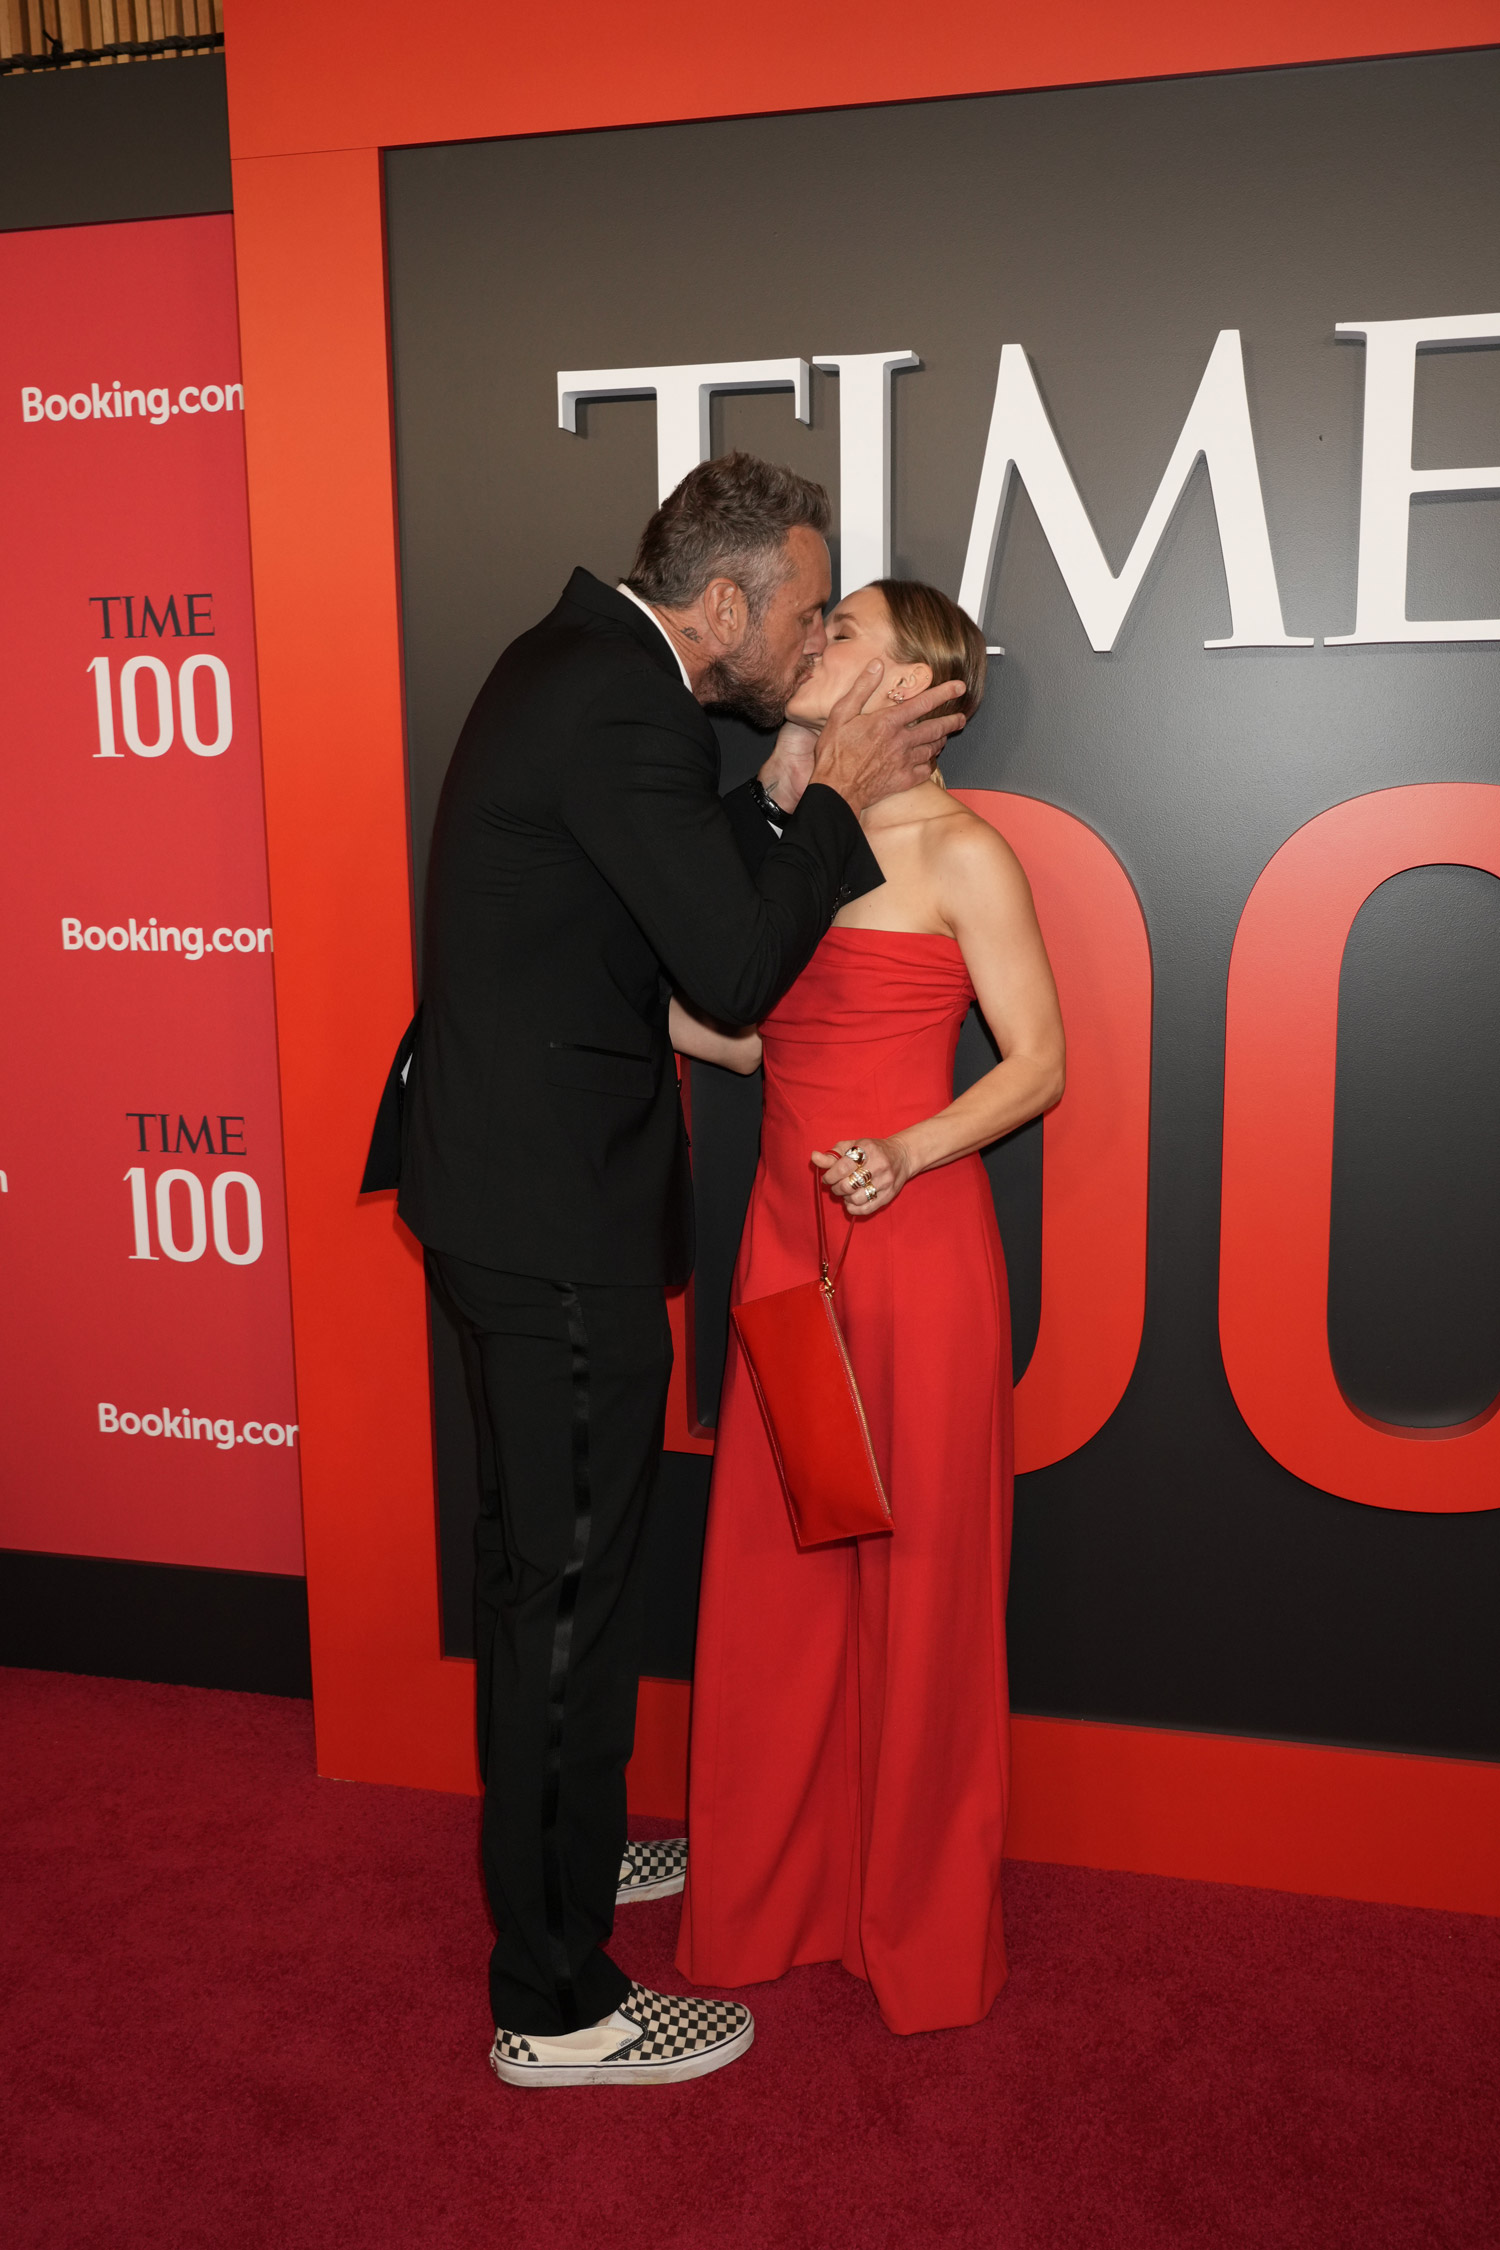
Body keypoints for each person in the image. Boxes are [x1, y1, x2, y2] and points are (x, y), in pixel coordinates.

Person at [381, 458, 969, 2087]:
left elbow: (646, 881)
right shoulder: (627, 705)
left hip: (501, 1196)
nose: (811, 639)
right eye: (806, 610)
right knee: (570, 1598)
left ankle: (559, 1845)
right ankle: (559, 2004)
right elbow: (730, 964)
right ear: (725, 605)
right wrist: (835, 792)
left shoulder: (583, 665)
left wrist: (778, 793)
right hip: (552, 1222)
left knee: (540, 1580)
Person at [672, 578, 1065, 2036]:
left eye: (844, 634)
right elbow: (751, 1038)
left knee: (926, 1588)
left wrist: (909, 1149)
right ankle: (769, 1900)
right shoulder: (794, 842)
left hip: (916, 1256)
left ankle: (919, 1924)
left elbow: (1039, 1062)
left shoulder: (966, 853)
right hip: (788, 1253)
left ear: (914, 687)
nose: (812, 643)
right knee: (776, 1586)